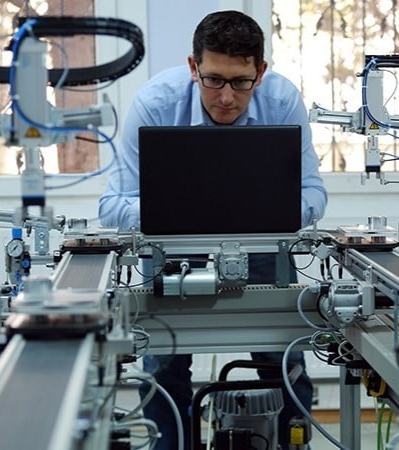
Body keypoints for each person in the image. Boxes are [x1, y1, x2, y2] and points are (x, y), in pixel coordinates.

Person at [98, 10, 327, 450]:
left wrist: (264, 213)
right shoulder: (155, 103)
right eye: (213, 80)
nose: (226, 97)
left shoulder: (282, 99)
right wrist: (182, 213)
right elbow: (112, 205)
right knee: (162, 369)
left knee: (287, 363)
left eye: (241, 82)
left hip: (262, 247)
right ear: (192, 68)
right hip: (171, 252)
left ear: (260, 72)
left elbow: (313, 193)